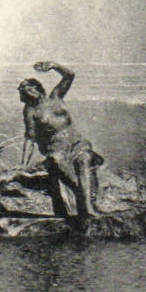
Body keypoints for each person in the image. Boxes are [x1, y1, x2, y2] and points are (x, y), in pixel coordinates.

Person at [17, 60, 104, 230]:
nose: (30, 92)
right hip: (57, 149)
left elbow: (70, 75)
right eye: (26, 91)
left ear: (38, 87)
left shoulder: (56, 96)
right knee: (56, 160)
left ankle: (88, 208)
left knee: (84, 158)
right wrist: (24, 164)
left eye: (31, 88)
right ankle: (82, 195)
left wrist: (54, 65)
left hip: (76, 143)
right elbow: (30, 137)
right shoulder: (31, 111)